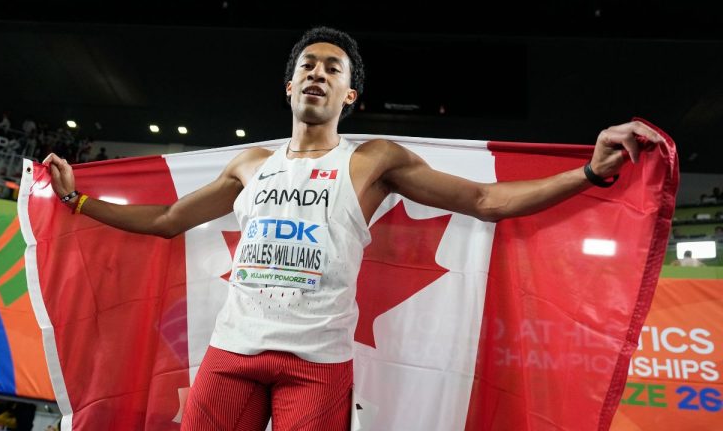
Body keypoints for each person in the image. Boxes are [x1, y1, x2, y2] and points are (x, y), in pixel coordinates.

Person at [42, 26, 666, 430]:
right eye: (307, 66)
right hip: (232, 351)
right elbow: (167, 220)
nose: (317, 73)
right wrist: (77, 204)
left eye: (331, 69)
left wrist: (590, 172)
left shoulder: (372, 162)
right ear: (289, 86)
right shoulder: (250, 165)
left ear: (349, 95)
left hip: (317, 363)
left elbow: (485, 198)